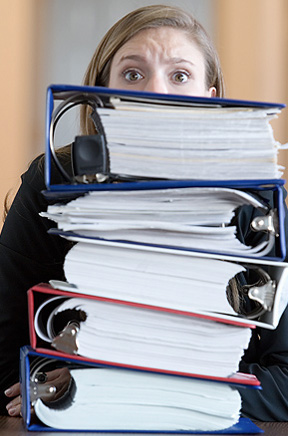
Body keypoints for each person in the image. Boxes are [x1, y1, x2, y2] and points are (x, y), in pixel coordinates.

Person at [1, 4, 288, 422]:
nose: (156, 93)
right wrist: (49, 384)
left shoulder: (256, 207)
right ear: (102, 95)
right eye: (133, 74)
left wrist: (107, 384)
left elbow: (284, 379)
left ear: (211, 101)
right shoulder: (51, 185)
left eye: (180, 75)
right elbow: (8, 361)